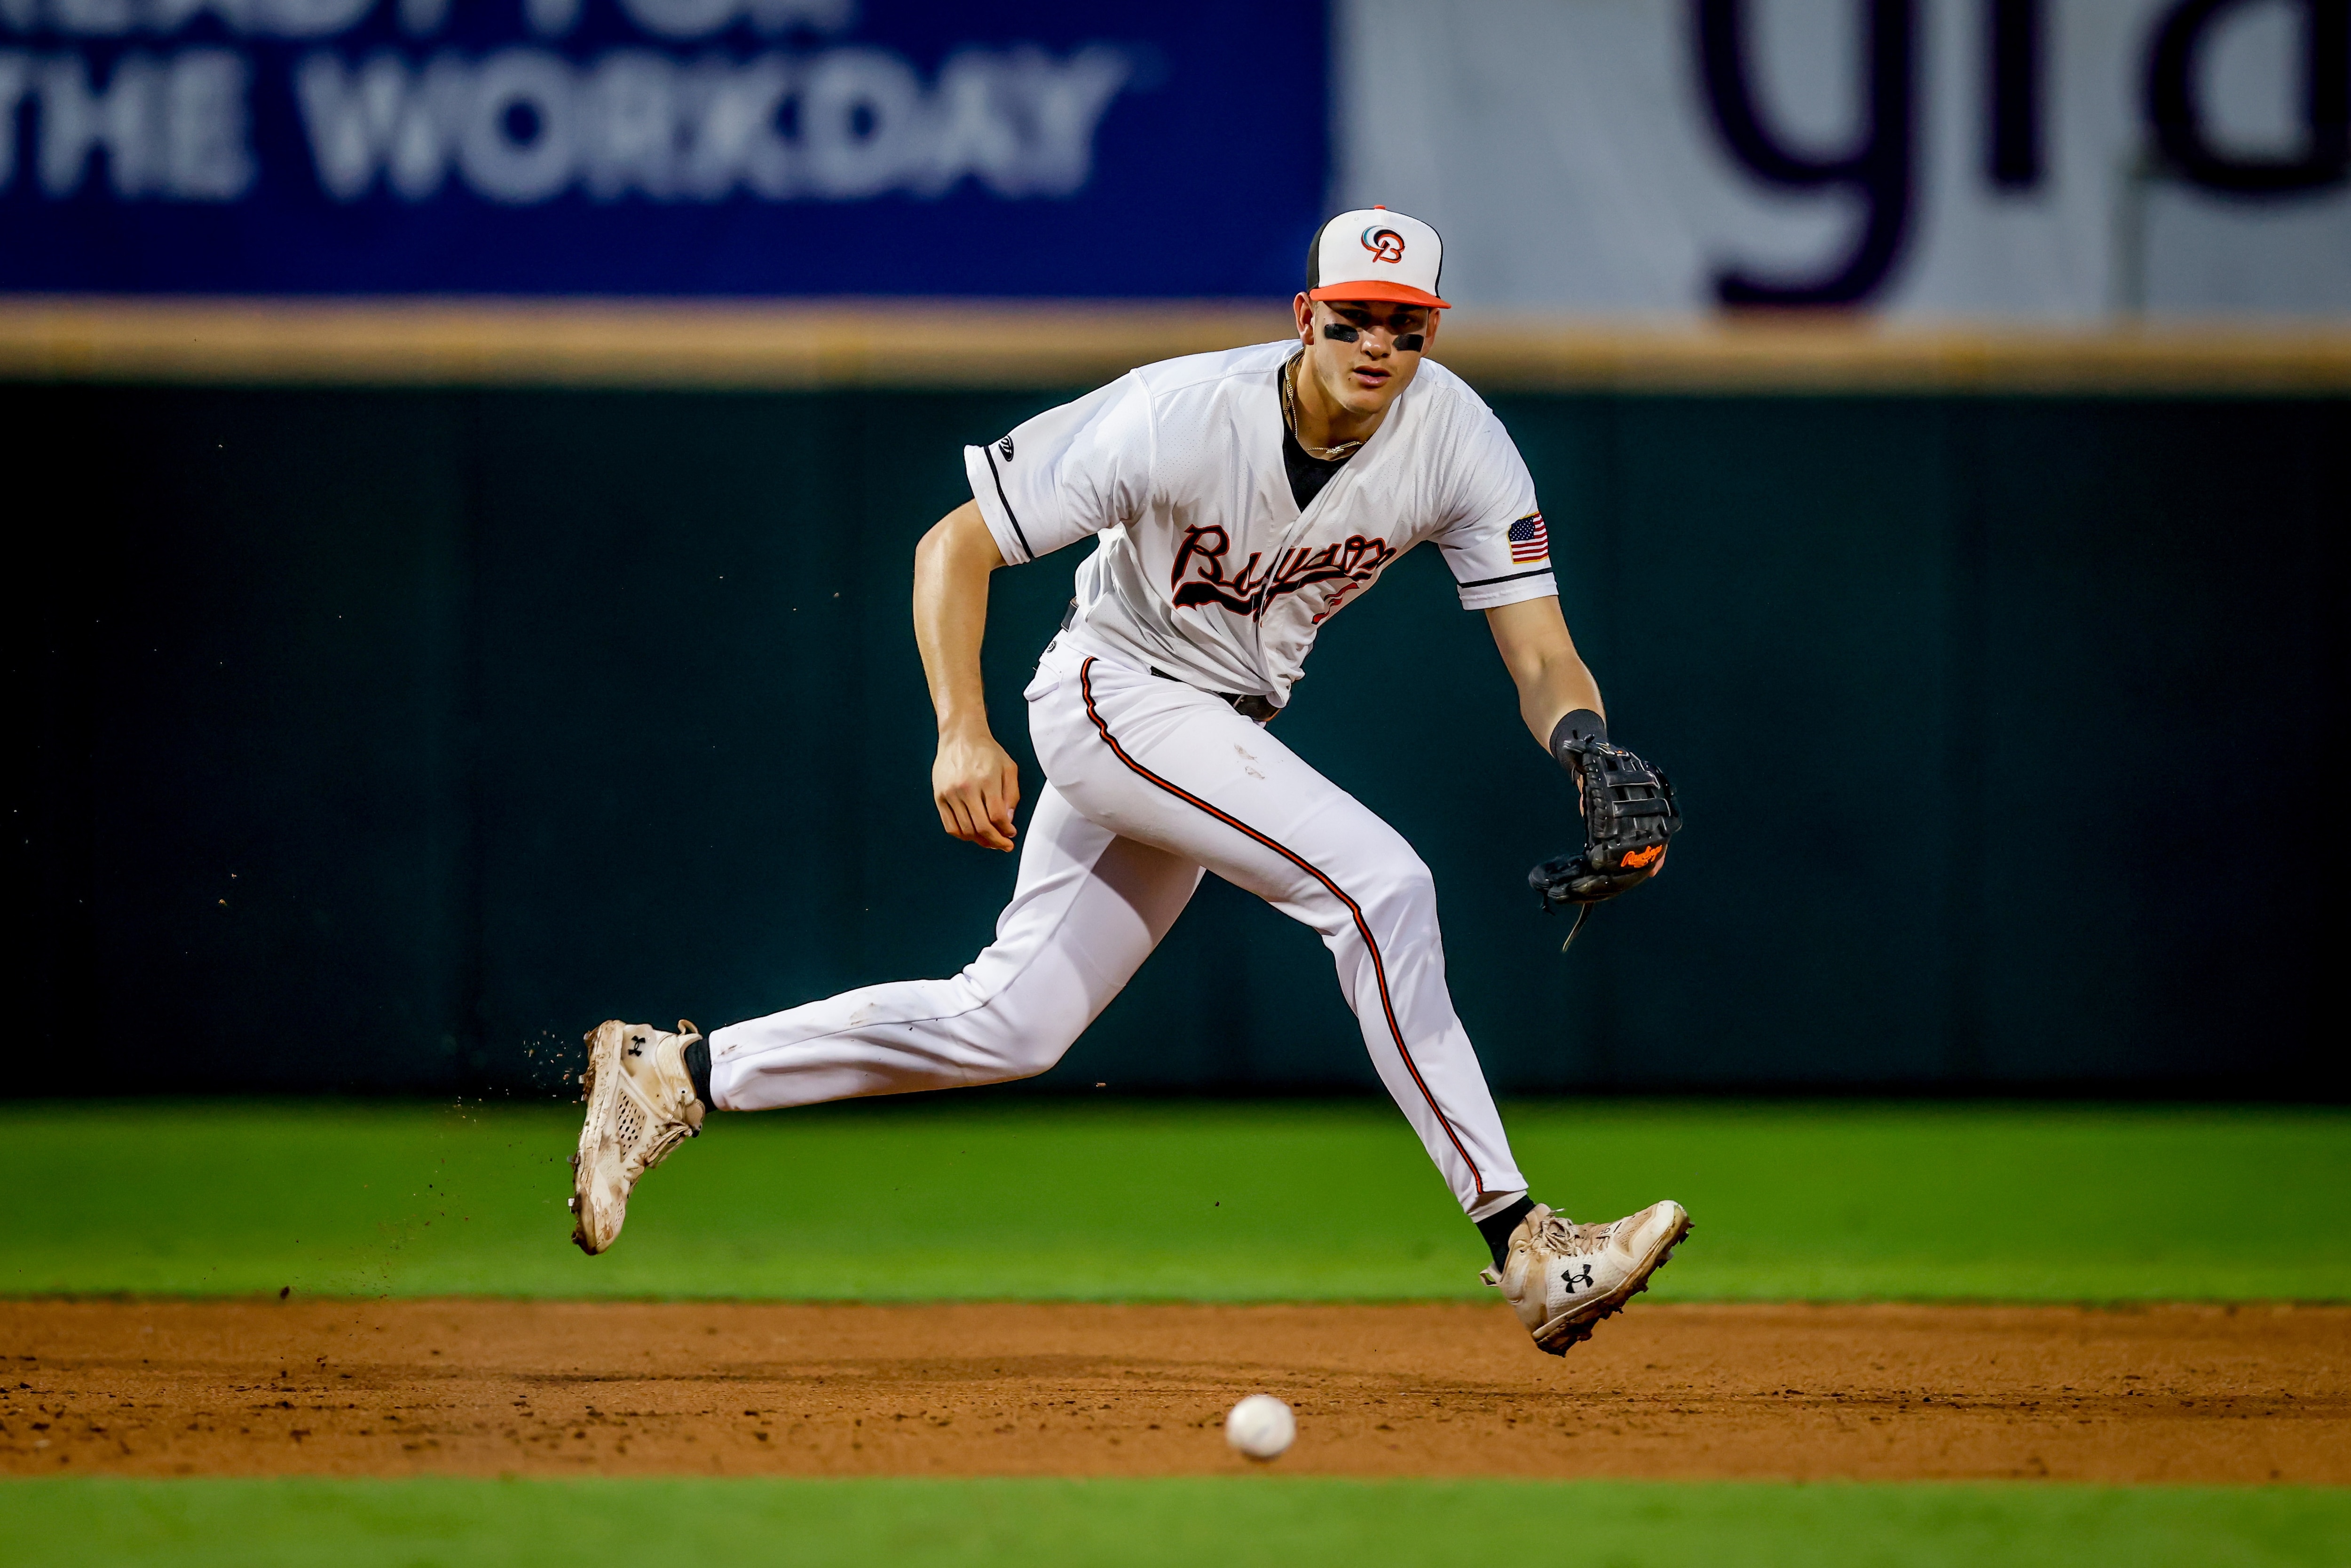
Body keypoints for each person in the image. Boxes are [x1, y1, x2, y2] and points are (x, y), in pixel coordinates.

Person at [566, 208, 1688, 1355]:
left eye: (1404, 326)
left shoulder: (1458, 439)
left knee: (1012, 1022)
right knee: (1380, 889)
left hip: (1210, 729)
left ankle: (677, 1072)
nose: (1376, 345)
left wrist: (1586, 745)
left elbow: (1541, 652)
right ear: (1307, 317)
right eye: (1353, 317)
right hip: (1116, 693)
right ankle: (1523, 1241)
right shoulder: (1176, 412)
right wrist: (961, 727)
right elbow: (951, 546)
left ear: (1430, 337)